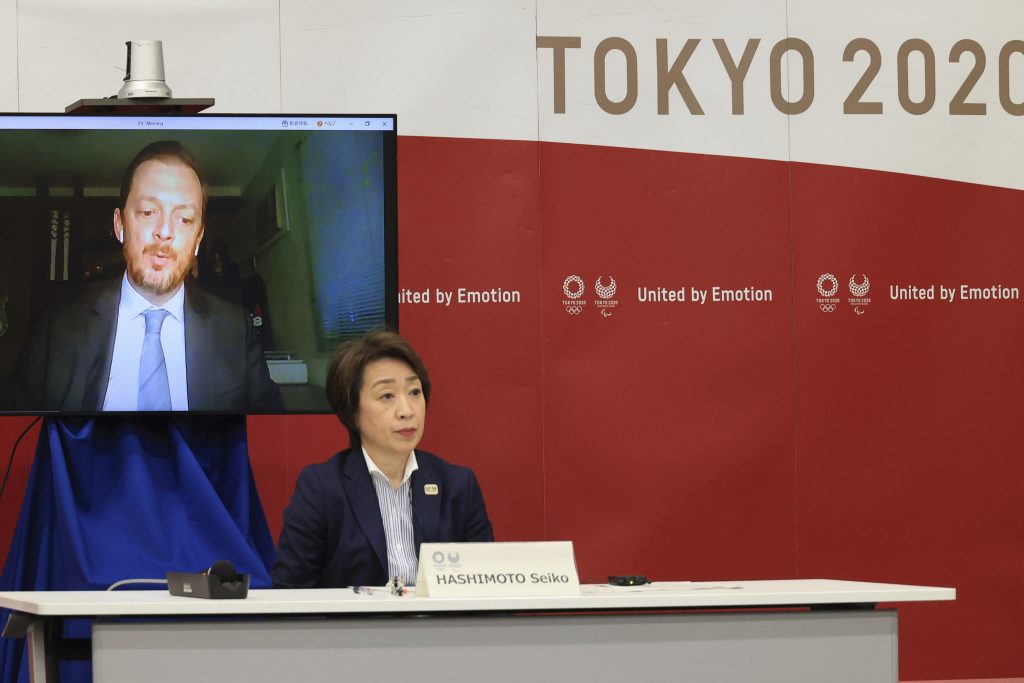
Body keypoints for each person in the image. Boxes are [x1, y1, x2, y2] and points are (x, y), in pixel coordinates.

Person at [15, 140, 282, 413]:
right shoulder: (59, 321)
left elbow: (272, 434)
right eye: (148, 212)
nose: (164, 231)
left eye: (184, 219)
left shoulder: (235, 329)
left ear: (198, 238)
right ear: (120, 226)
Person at [272, 330, 493, 588]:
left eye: (414, 392)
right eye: (387, 396)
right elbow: (290, 595)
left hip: (438, 628)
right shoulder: (321, 489)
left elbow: (484, 592)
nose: (407, 411)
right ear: (352, 412)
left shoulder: (458, 486)